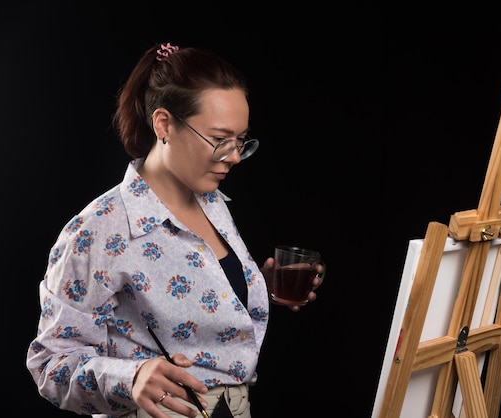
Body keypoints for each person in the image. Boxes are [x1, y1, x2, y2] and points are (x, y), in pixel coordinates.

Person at [26, 41, 324, 418]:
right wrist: (130, 377)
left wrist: (253, 287)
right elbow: (51, 365)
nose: (233, 156)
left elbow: (194, 304)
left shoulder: (212, 202)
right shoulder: (96, 230)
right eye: (219, 140)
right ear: (164, 124)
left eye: (240, 141)